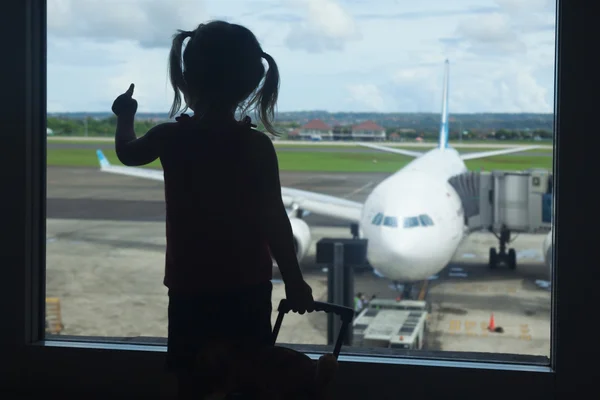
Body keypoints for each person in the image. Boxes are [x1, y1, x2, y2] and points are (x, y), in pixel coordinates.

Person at [110, 20, 315, 399]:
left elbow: (127, 151)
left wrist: (125, 113)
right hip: (248, 286)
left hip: (190, 285)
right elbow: (274, 219)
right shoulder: (256, 148)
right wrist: (295, 280)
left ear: (185, 80)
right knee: (248, 379)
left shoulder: (169, 137)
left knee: (194, 379)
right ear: (252, 84)